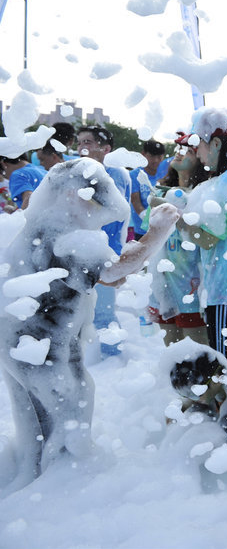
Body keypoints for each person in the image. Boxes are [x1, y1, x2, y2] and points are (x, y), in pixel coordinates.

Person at [0, 158, 179, 491]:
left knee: (35, 421)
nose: (94, 213)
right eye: (90, 201)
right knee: (69, 409)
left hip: (20, 342)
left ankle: (30, 480)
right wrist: (158, 232)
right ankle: (60, 490)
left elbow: (102, 277)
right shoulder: (61, 231)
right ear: (71, 194)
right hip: (42, 345)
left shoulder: (37, 225)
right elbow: (113, 272)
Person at [179, 108, 227, 359]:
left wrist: (175, 219)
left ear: (216, 143)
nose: (196, 153)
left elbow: (209, 239)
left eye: (197, 145)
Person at [146, 132, 210, 346]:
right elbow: (151, 237)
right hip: (163, 286)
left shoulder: (203, 194)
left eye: (189, 150)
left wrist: (177, 214)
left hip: (190, 286)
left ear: (201, 159)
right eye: (179, 149)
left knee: (196, 358)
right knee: (172, 357)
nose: (180, 154)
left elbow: (207, 238)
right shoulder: (161, 192)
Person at [76, 125, 133, 358]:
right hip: (83, 252)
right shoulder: (81, 171)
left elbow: (111, 210)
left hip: (106, 254)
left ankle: (115, 362)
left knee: (104, 315)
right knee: (80, 314)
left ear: (105, 148)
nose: (81, 147)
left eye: (87, 142)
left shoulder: (115, 172)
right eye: (79, 142)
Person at [130, 139, 170, 241]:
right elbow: (135, 200)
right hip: (142, 229)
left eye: (159, 157)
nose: (156, 160)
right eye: (152, 156)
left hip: (163, 229)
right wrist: (145, 217)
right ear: (143, 154)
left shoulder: (167, 173)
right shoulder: (135, 175)